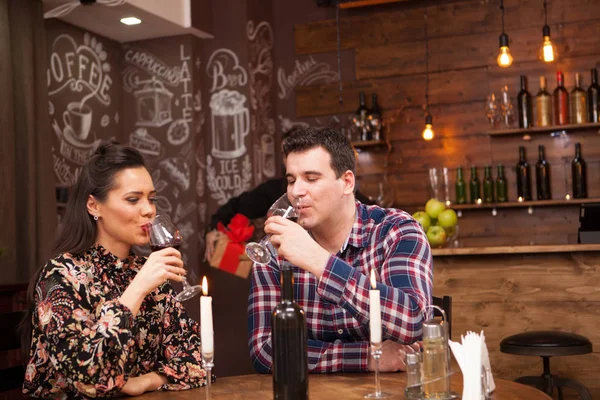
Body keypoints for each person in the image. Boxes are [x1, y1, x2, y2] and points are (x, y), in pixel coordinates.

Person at [21, 142, 209, 398]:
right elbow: (88, 376)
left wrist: (143, 382)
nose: (149, 209)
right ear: (93, 206)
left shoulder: (146, 270)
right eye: (133, 199)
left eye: (151, 198)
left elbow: (198, 361)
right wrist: (138, 288)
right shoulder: (60, 275)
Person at [248, 127, 433, 373]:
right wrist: (367, 357)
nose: (295, 191)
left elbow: (413, 321)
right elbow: (266, 349)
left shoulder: (396, 231)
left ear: (347, 182)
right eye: (292, 180)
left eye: (311, 179)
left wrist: (320, 262)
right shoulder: (273, 252)